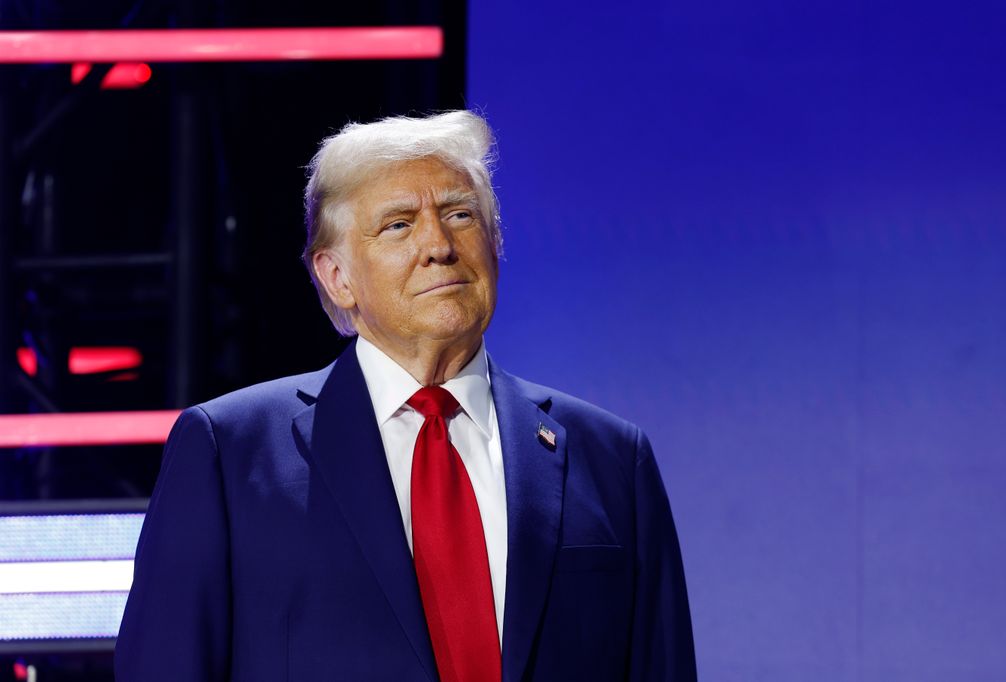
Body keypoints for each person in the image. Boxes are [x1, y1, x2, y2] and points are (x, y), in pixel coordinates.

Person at [115, 111, 698, 681]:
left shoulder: (613, 459)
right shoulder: (229, 456)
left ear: (495, 245)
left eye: (461, 215)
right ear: (336, 277)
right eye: (398, 224)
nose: (440, 245)